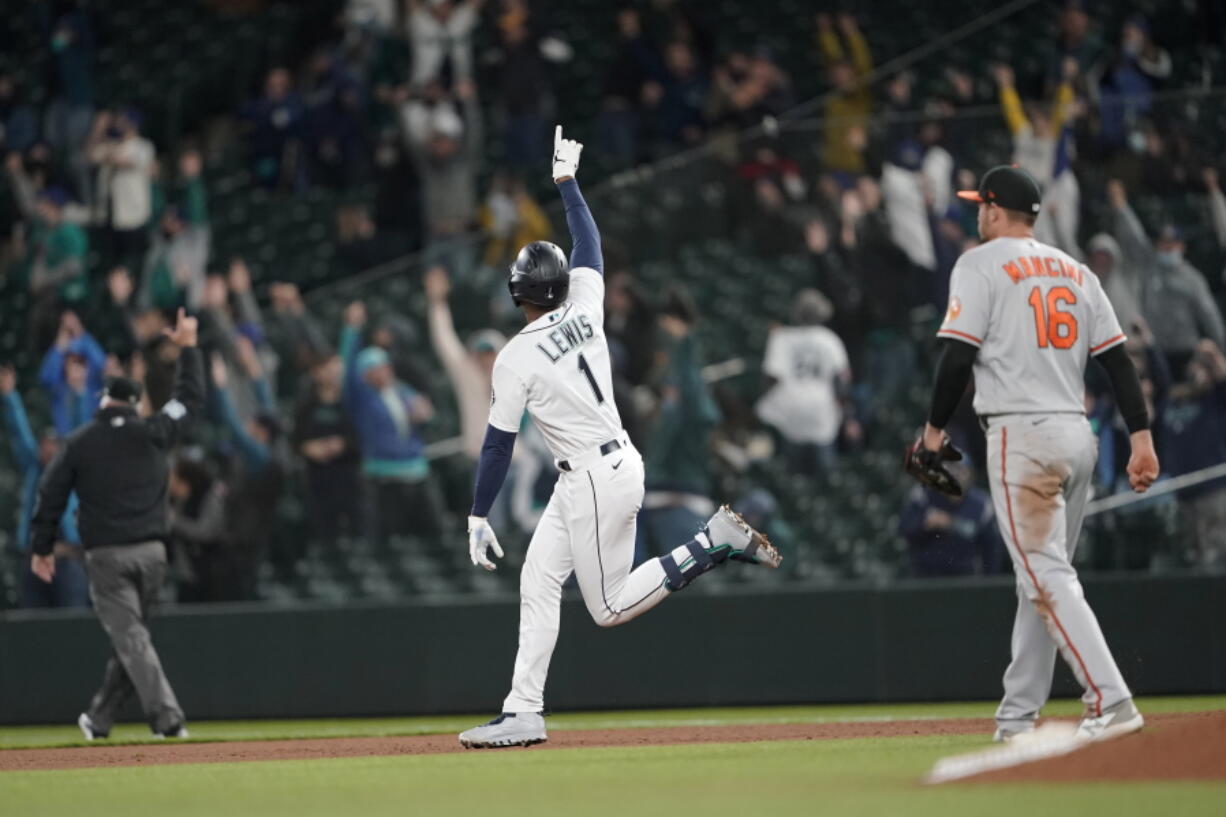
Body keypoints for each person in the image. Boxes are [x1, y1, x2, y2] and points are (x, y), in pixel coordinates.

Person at [457, 127, 782, 749]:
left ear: (517, 293)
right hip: (603, 468)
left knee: (606, 607)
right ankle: (523, 710)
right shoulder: (585, 307)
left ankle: (707, 545)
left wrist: (477, 513)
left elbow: (498, 446)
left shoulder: (516, 357)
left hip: (593, 479)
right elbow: (589, 243)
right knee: (538, 580)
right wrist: (567, 182)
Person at [913, 165, 1158, 743]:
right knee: (1041, 578)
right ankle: (1017, 718)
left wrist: (931, 432)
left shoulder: (979, 262)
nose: (978, 214)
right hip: (1077, 438)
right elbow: (1118, 360)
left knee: (1044, 576)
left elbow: (956, 358)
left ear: (995, 211)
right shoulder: (1075, 269)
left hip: (1022, 440)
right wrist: (1142, 437)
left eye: (981, 205)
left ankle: (1112, 700)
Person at [30, 308, 204, 740]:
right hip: (153, 554)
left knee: (132, 640)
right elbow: (192, 398)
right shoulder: (154, 429)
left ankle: (167, 719)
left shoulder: (81, 442)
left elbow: (50, 496)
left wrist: (41, 546)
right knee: (133, 640)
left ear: (103, 400)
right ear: (134, 400)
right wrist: (188, 348)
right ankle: (100, 718)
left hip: (107, 557)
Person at [0, 365, 88, 608]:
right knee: (33, 623)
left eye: (54, 443)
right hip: (34, 558)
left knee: (73, 620)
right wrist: (9, 396)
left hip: (68, 558)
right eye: (45, 443)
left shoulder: (71, 469)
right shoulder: (33, 468)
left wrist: (79, 393)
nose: (49, 449)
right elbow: (20, 432)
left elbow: (81, 431)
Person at [755, 289, 856, 475]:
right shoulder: (829, 339)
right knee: (826, 472)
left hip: (789, 408)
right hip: (822, 410)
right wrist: (849, 418)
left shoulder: (781, 337)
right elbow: (842, 383)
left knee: (791, 471)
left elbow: (770, 378)